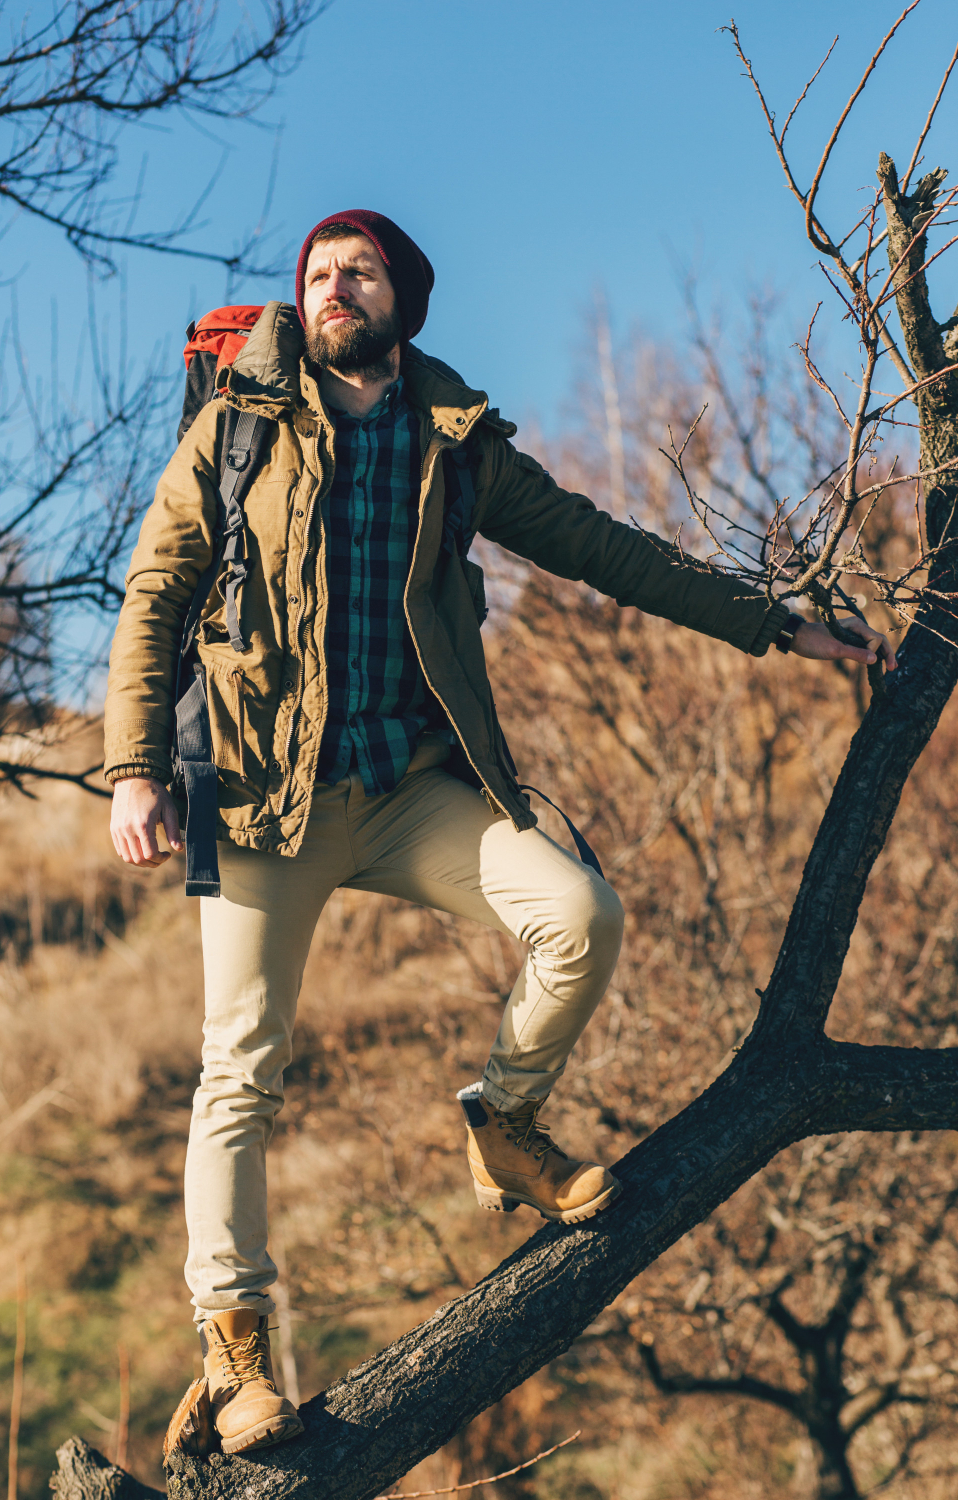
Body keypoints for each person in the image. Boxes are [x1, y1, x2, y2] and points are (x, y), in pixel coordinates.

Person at [104, 210, 896, 1455]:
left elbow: (601, 549)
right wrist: (136, 768)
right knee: (239, 1067)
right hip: (265, 798)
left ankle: (504, 1124)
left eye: (355, 270)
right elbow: (154, 595)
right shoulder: (238, 427)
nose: (329, 287)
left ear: (402, 298)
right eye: (314, 273)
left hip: (411, 783)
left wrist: (772, 624)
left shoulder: (450, 442)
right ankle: (238, 1349)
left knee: (580, 915)